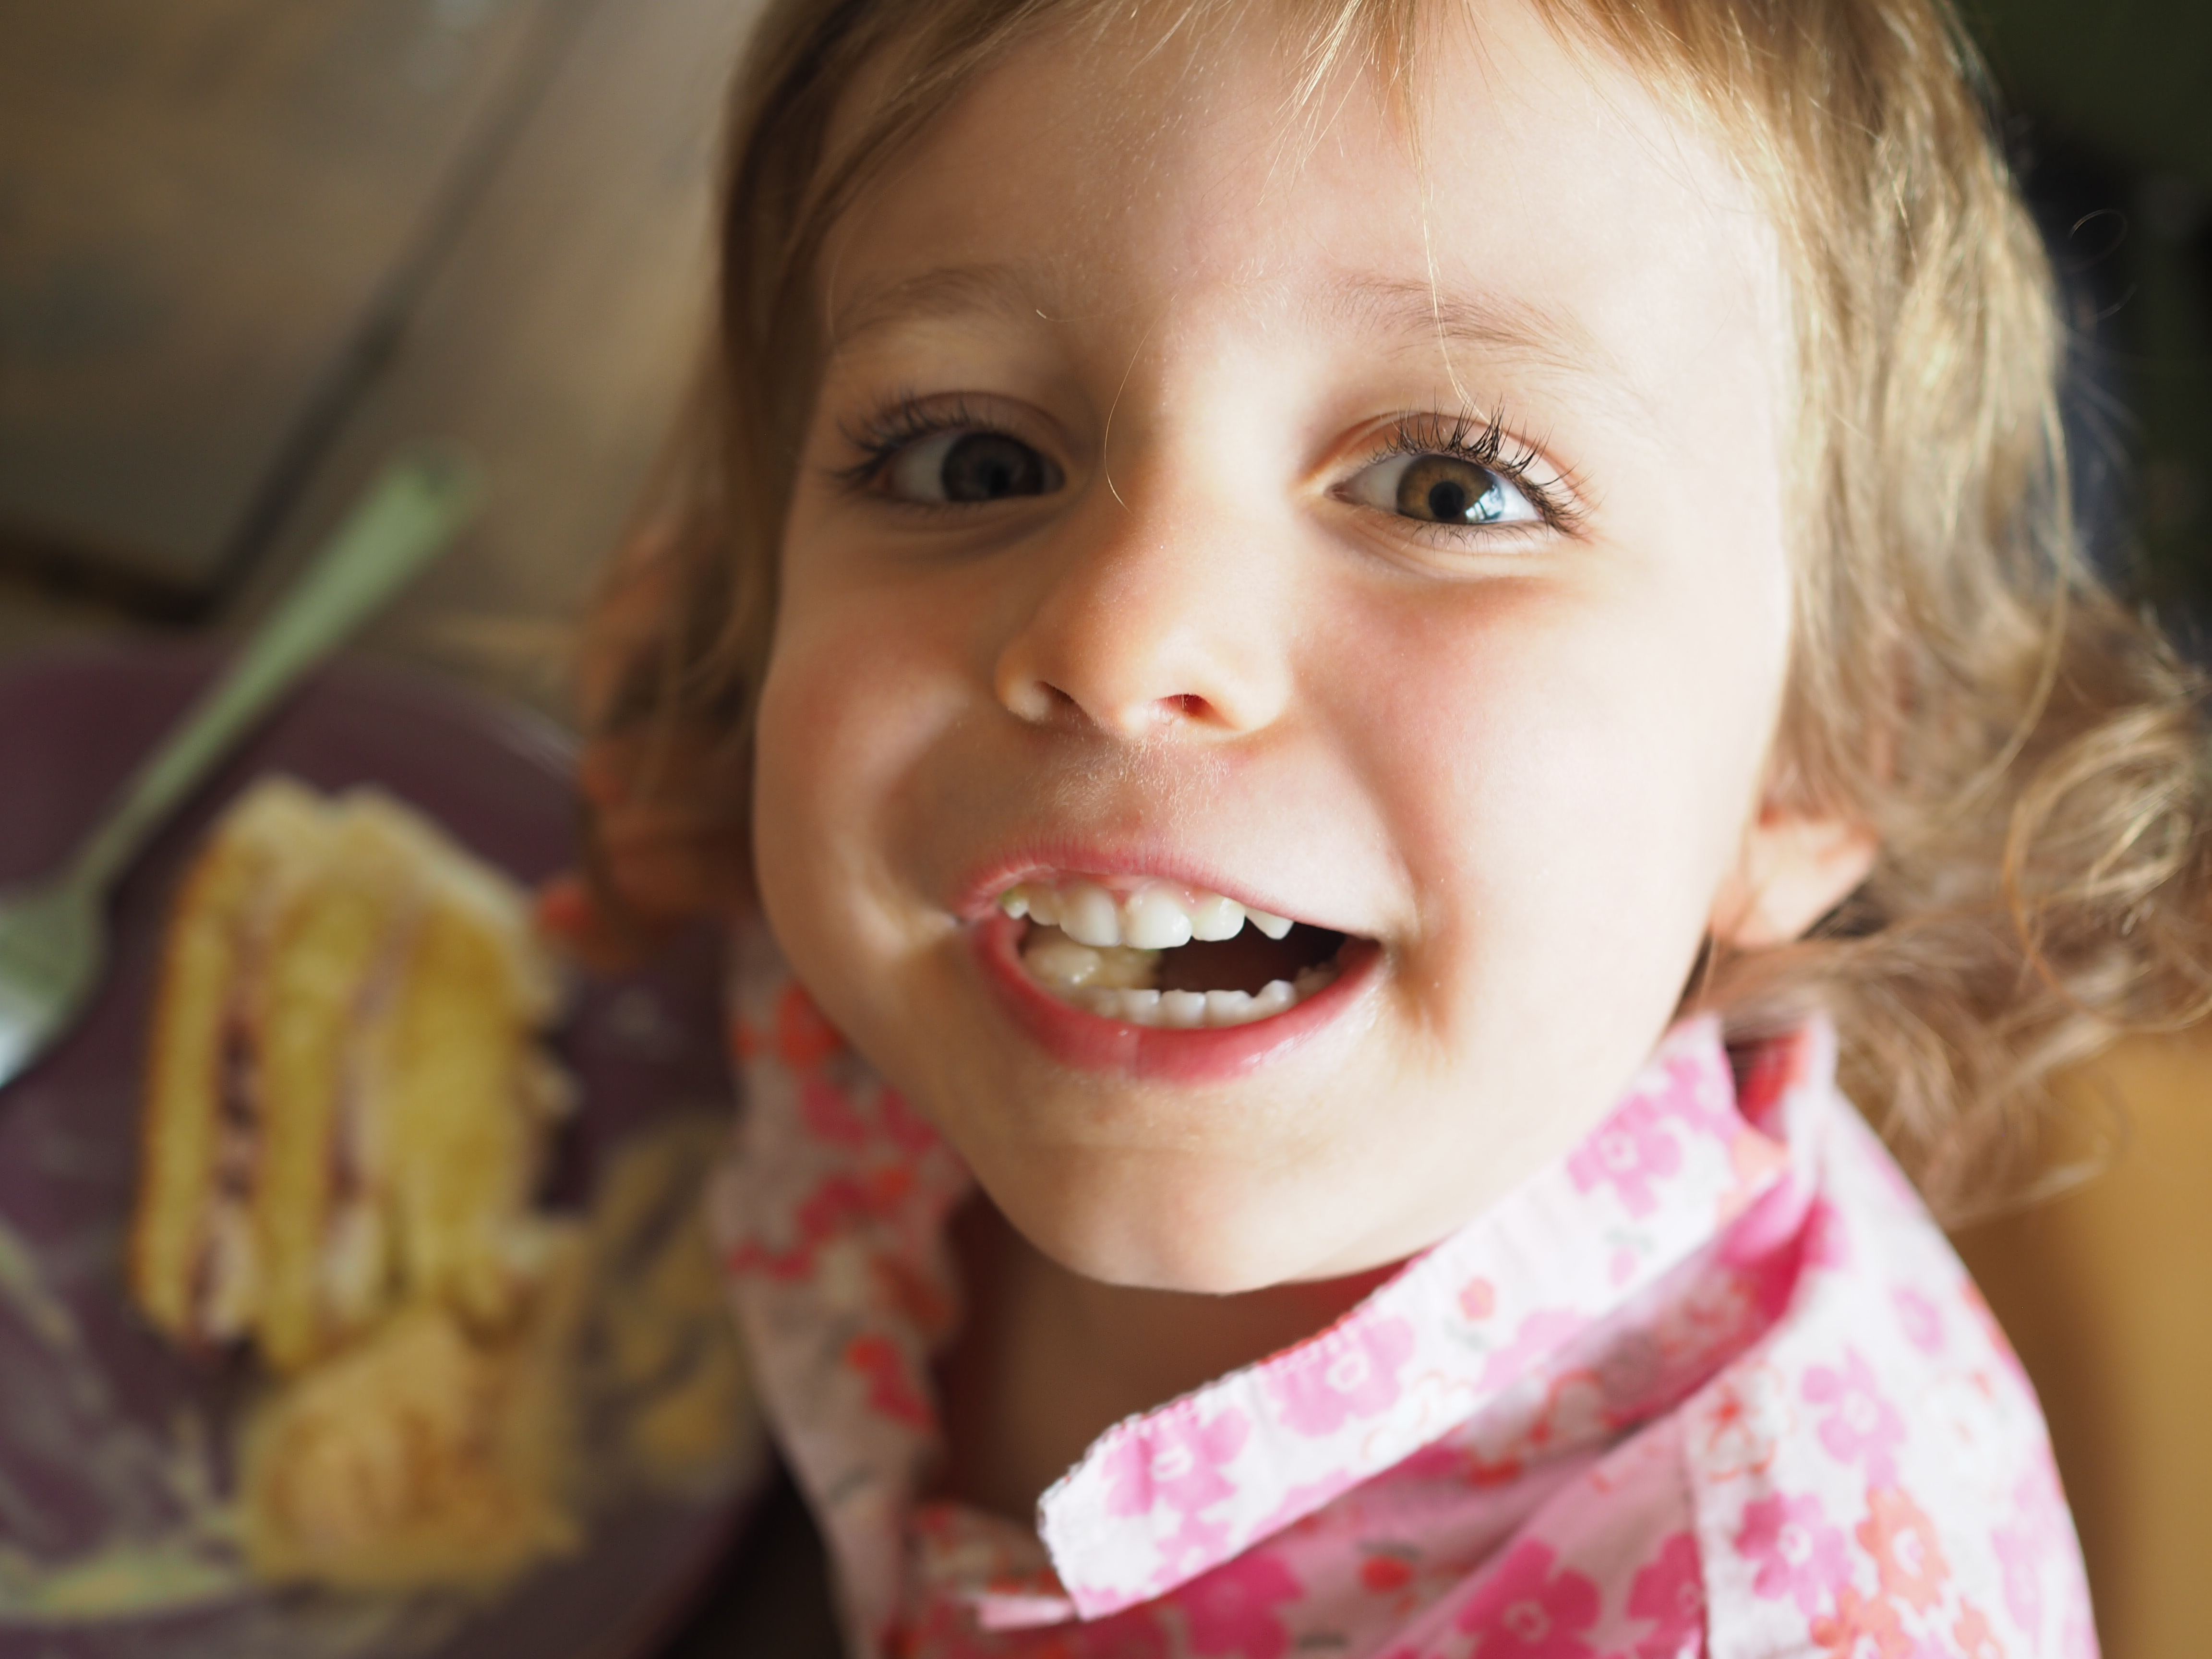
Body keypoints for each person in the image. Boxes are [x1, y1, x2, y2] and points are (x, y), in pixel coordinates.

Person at [539, 0, 2212, 1652]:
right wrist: (710, 784)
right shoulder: (868, 889)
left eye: (1450, 492)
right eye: (973, 463)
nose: (1122, 638)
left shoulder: (1758, 1617)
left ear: (1822, 758)